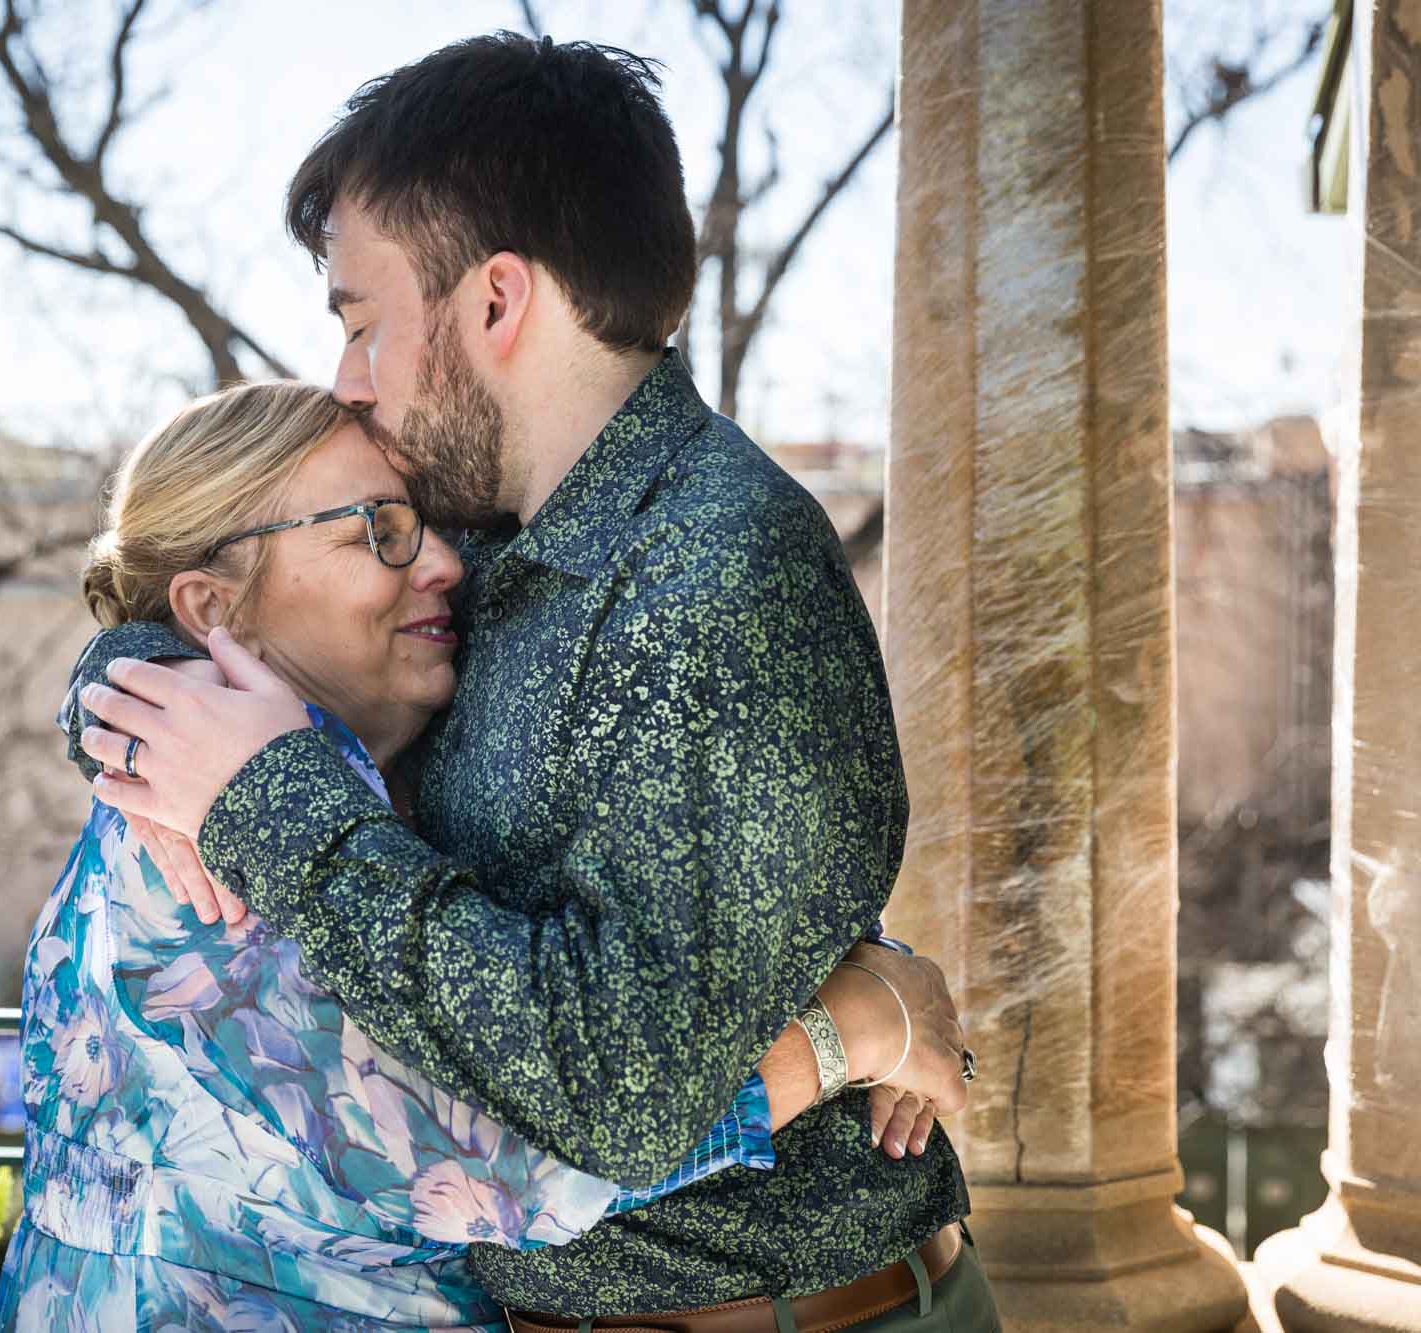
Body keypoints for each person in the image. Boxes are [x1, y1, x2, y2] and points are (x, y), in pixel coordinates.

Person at [70, 33, 1000, 1333]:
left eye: (363, 320)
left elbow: (617, 1098)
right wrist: (133, 687)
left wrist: (270, 804)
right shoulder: (489, 543)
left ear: (497, 301)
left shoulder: (719, 576)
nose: (348, 375)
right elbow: (215, 600)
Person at [0, 381, 955, 1331]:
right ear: (212, 607)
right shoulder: (207, 855)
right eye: (379, 529)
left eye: (431, 523)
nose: (448, 563)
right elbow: (522, 1159)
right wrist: (858, 1029)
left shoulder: (323, 775)